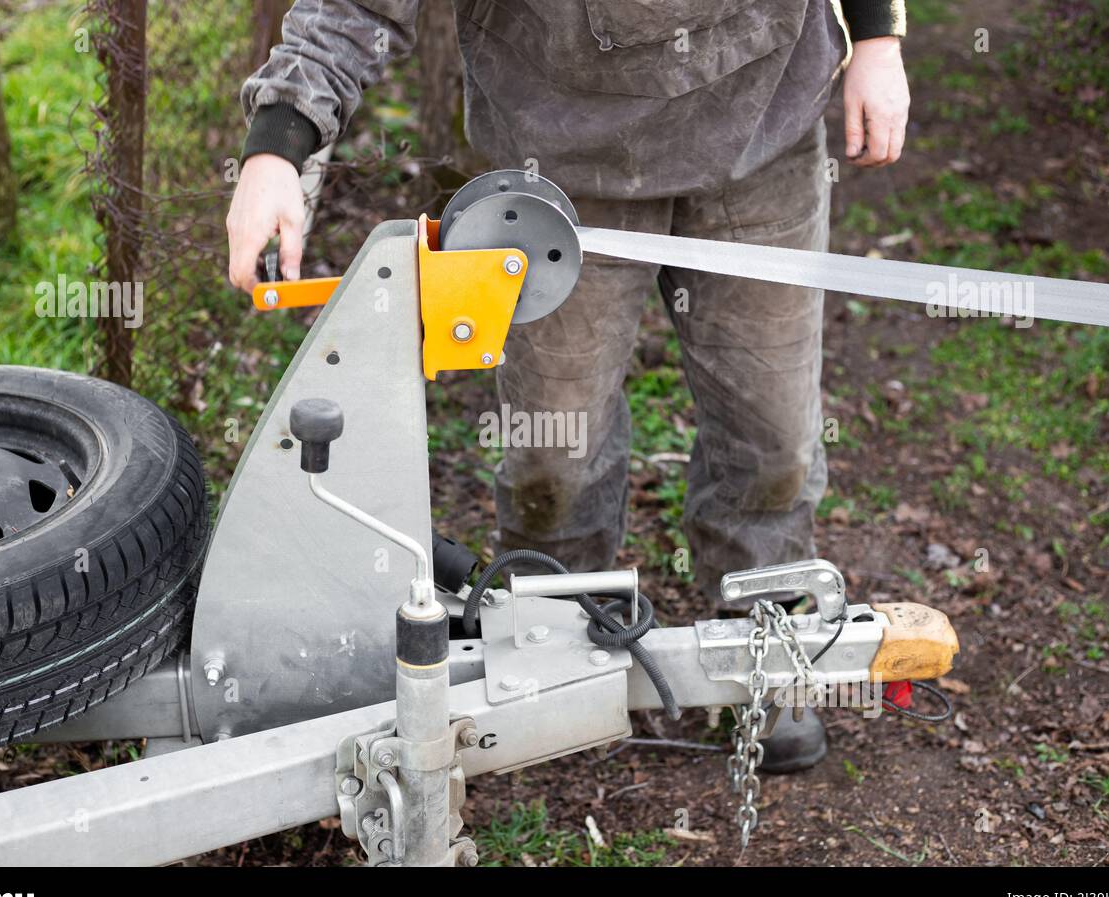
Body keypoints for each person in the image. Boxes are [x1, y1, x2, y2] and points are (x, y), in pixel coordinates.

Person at [227, 1, 910, 772]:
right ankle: (553, 647)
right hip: (556, 167)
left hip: (764, 137)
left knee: (775, 437)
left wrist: (878, 37)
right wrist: (279, 145)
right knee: (554, 456)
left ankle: (770, 635)